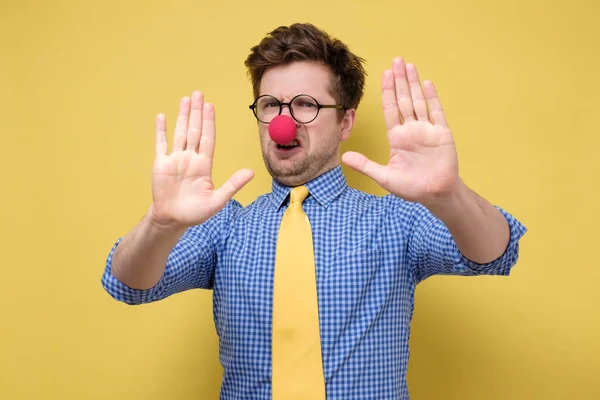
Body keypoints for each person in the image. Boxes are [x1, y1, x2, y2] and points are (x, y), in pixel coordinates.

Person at [101, 23, 527, 399]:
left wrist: (449, 195)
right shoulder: (223, 226)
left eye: (306, 104)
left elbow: (494, 252)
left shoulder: (394, 220)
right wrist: (161, 223)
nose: (284, 122)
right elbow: (128, 285)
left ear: (345, 122)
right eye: (270, 104)